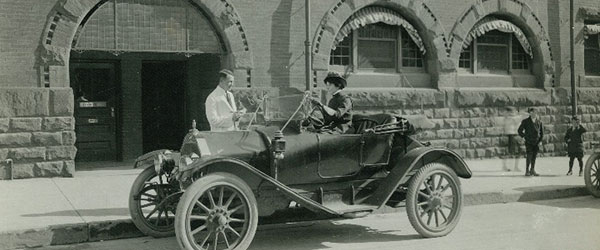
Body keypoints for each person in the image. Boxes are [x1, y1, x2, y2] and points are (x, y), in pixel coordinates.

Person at [518, 107, 544, 176]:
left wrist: (540, 141)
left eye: (535, 112)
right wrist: (524, 137)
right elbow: (519, 130)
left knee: (534, 156)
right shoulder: (525, 121)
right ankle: (527, 171)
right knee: (529, 156)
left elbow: (541, 133)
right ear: (530, 113)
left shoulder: (539, 122)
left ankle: (532, 170)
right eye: (532, 112)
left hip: (536, 142)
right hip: (529, 141)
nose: (534, 114)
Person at [502, 107, 521, 172]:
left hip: (515, 135)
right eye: (512, 111)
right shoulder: (509, 119)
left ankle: (514, 167)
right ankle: (507, 166)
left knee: (517, 152)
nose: (513, 113)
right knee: (510, 152)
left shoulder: (509, 118)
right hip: (511, 136)